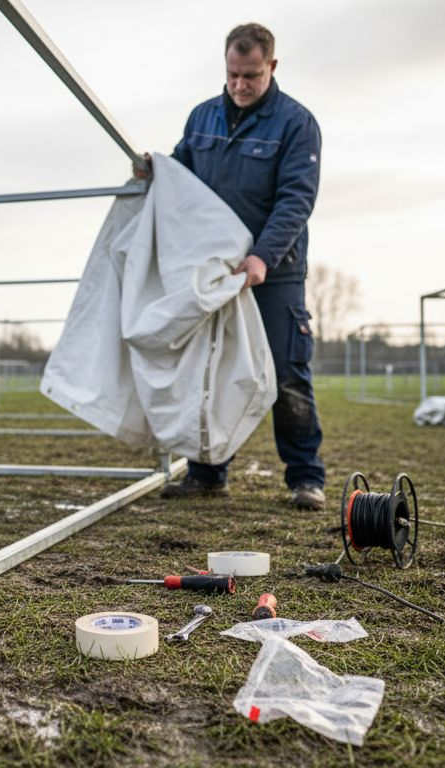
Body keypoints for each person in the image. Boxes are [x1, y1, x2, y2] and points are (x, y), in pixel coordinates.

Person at [142, 22, 326, 510]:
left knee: (286, 373)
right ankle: (207, 472)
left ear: (272, 66)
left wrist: (262, 257)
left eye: (251, 75)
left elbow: (296, 199)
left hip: (274, 272)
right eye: (232, 75)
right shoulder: (202, 117)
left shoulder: (296, 123)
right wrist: (153, 170)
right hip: (214, 272)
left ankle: (305, 477)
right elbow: (181, 178)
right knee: (210, 371)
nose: (240, 85)